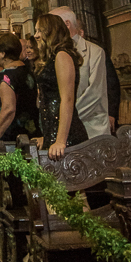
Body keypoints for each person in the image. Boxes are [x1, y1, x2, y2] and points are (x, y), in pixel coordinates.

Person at [49, 7, 111, 139]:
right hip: (61, 128)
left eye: (52, 24)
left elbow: (94, 93)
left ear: (66, 24)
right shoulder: (51, 55)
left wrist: (66, 118)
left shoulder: (94, 52)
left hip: (91, 127)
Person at [34, 14, 88, 159]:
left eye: (40, 31)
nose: (35, 35)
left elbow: (67, 99)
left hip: (66, 137)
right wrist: (46, 136)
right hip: (53, 133)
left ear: (51, 31)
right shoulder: (52, 57)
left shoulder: (62, 56)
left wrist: (60, 140)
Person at [0, 31, 39, 146]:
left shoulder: (7, 76)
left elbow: (8, 109)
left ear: (3, 53)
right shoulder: (27, 71)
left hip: (11, 138)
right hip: (29, 133)